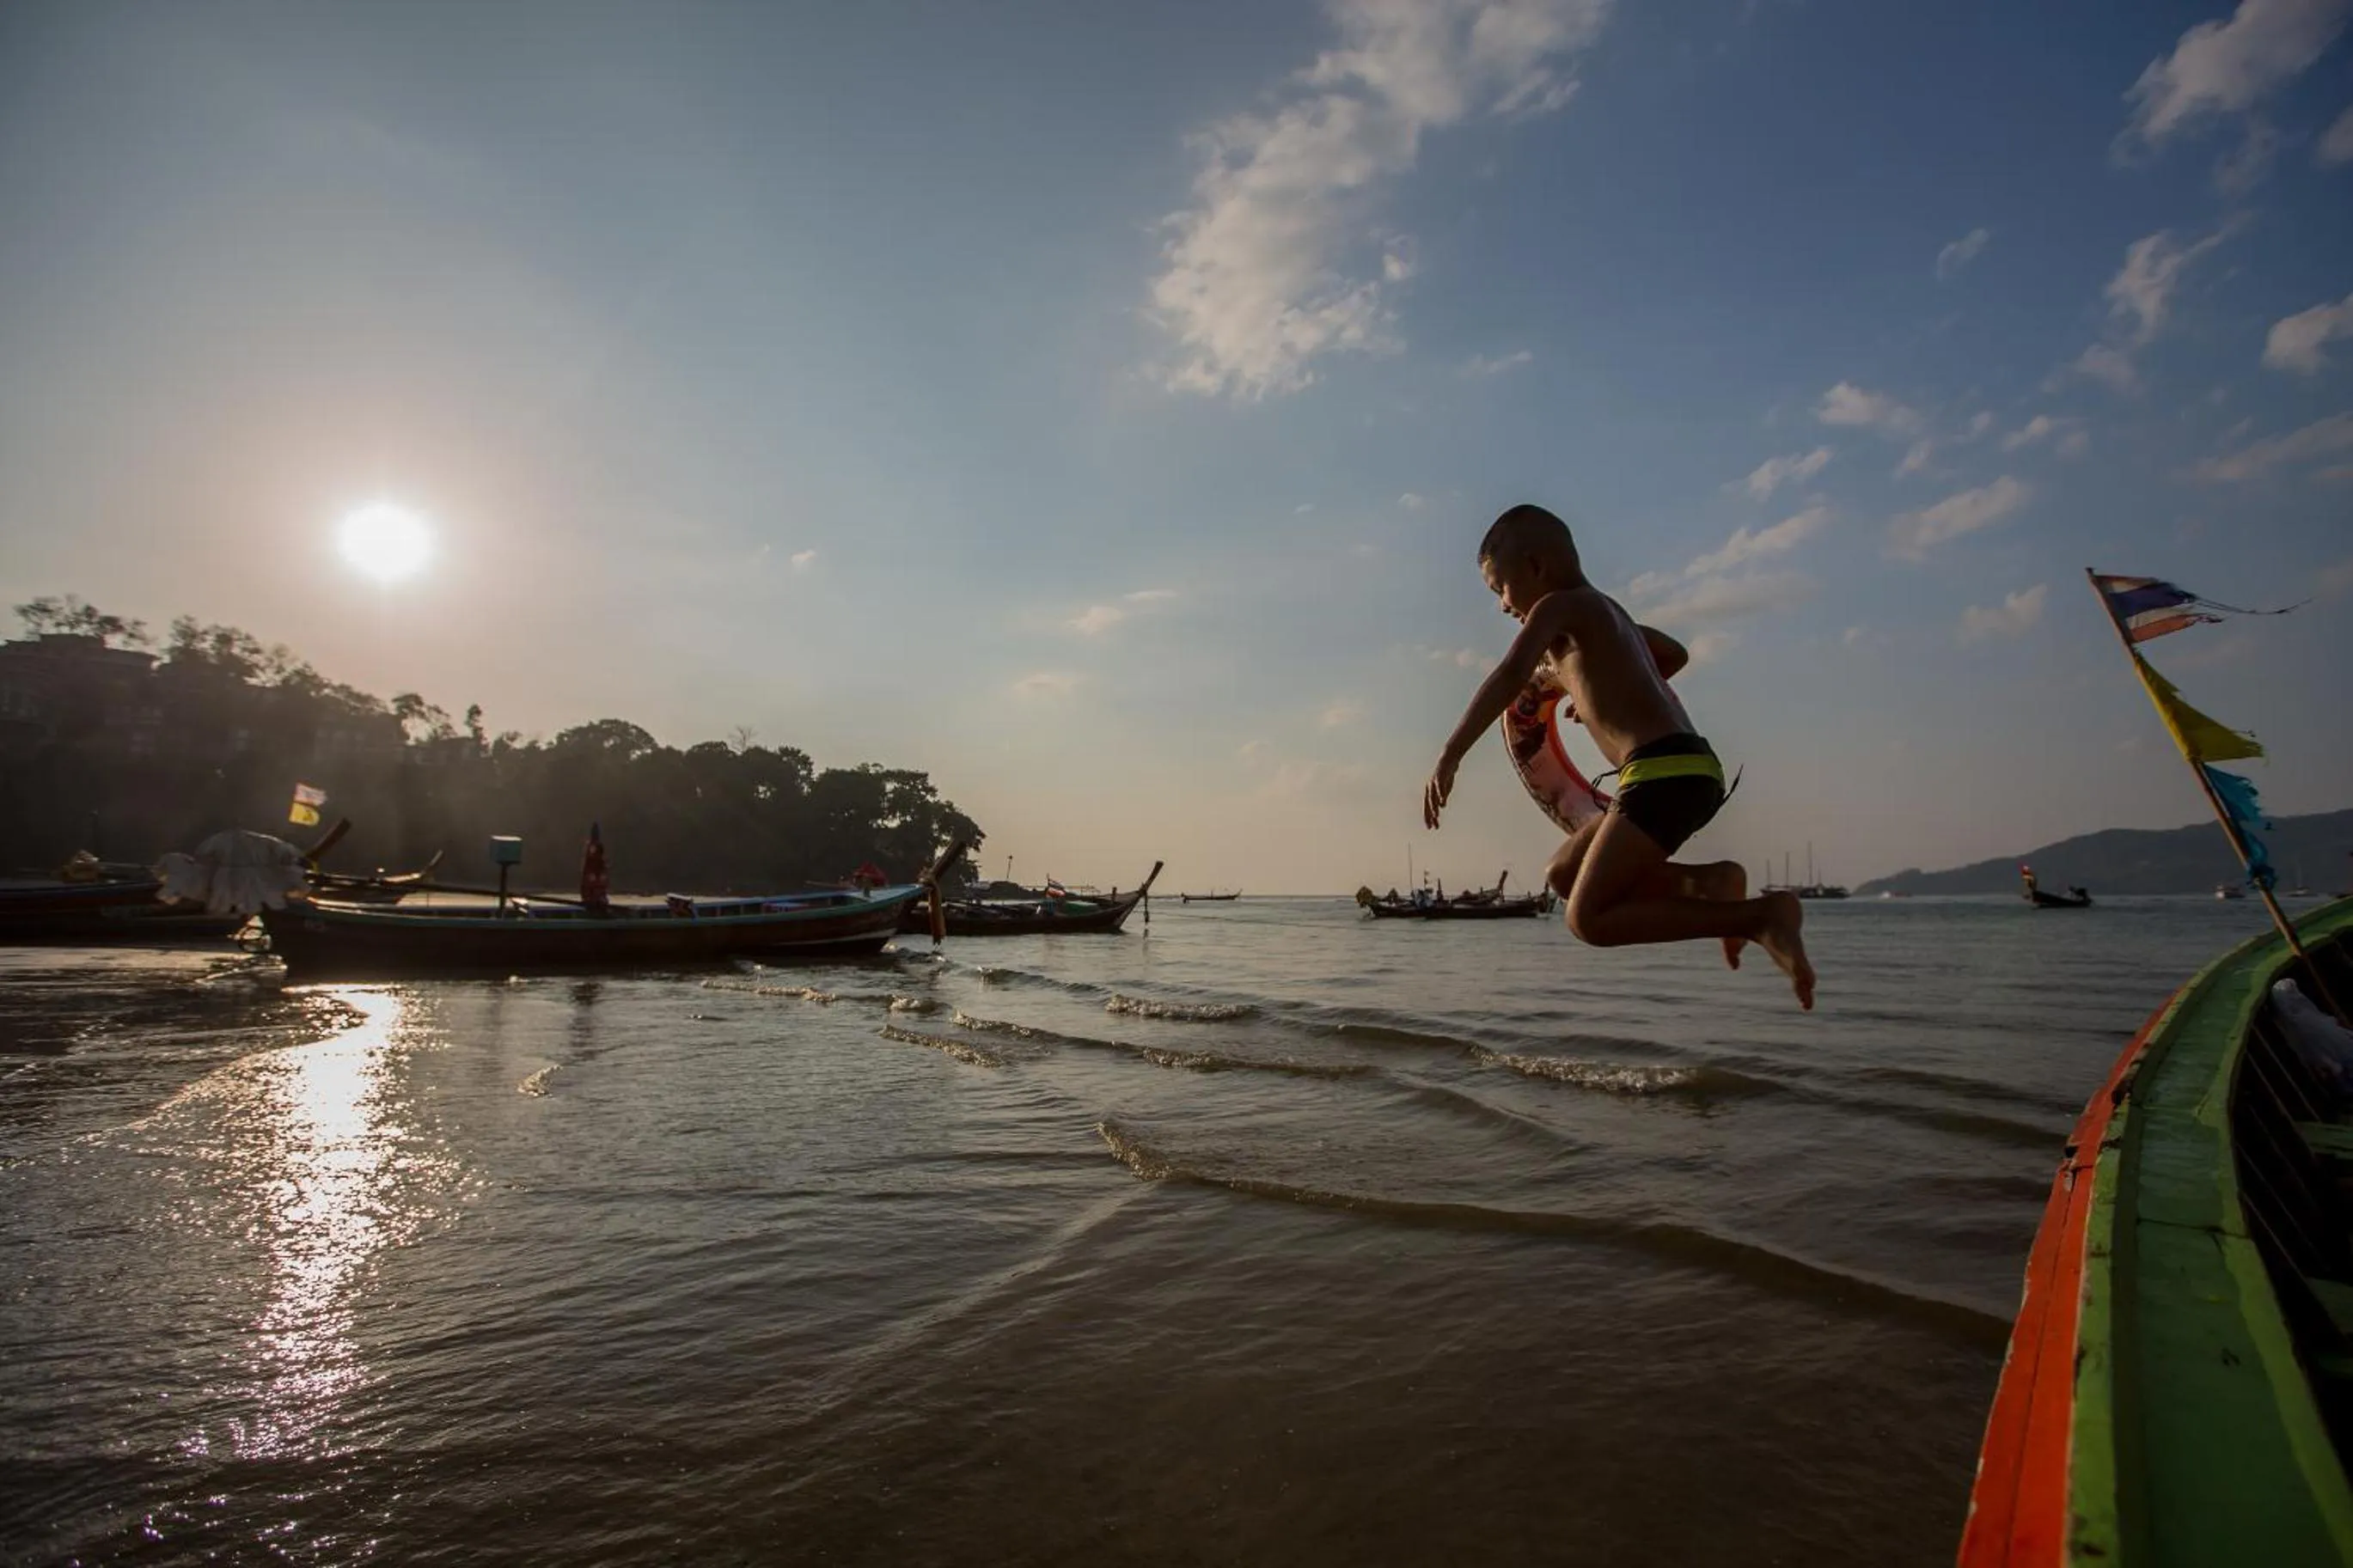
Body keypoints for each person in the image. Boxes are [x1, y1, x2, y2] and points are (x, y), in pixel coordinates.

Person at [1422, 503, 1815, 1010]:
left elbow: (1510, 675)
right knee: (1563, 873)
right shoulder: (1610, 614)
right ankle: (1711, 881)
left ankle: (1760, 917)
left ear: (1537, 567)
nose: (1502, 605)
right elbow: (1673, 653)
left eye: (1500, 588)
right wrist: (1602, 693)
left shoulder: (1559, 607)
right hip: (1686, 766)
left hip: (1661, 772)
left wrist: (1450, 754)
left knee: (1587, 920)